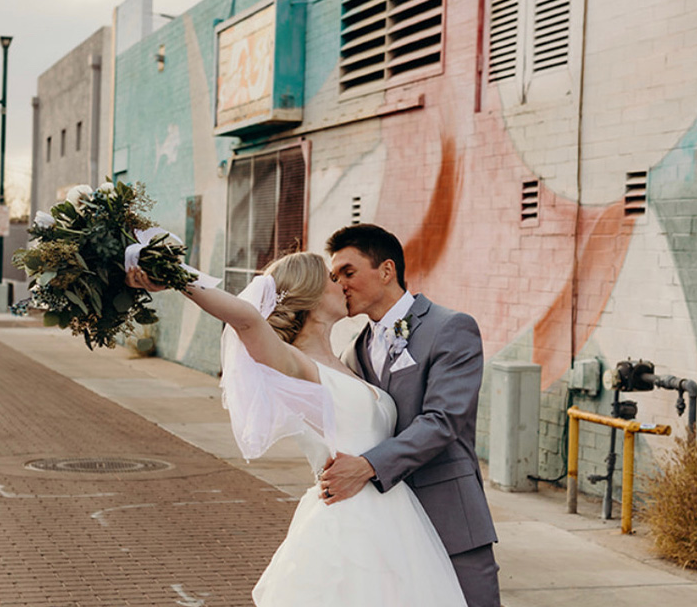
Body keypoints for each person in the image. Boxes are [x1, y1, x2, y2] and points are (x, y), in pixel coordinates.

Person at [125, 251, 466, 607]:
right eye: (333, 279)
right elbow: (246, 321)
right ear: (311, 292)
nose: (343, 284)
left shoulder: (350, 360)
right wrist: (178, 276)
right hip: (349, 524)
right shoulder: (295, 362)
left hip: (398, 523)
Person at [319, 224, 500, 607]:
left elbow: (444, 421)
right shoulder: (354, 351)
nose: (340, 285)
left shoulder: (451, 328)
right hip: (386, 523)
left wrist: (367, 466)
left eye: (348, 273)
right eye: (334, 278)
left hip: (448, 513)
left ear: (386, 271)